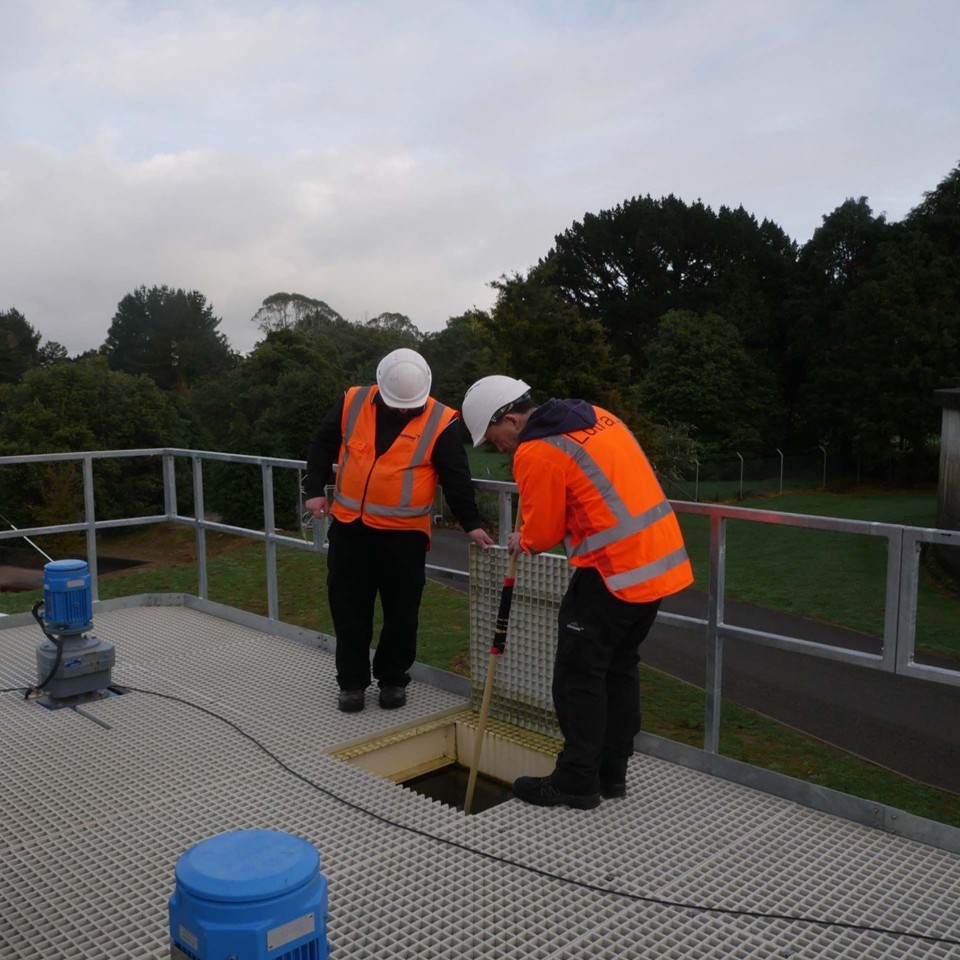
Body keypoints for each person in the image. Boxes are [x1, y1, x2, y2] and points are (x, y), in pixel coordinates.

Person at [461, 376, 693, 809]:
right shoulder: (597, 417)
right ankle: (612, 774)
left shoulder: (537, 449)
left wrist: (523, 538)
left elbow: (544, 530)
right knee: (619, 668)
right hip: (657, 565)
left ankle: (576, 781)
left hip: (611, 573)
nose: (500, 450)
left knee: (577, 676)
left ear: (511, 419)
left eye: (496, 440)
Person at [304, 348, 494, 713]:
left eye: (411, 406)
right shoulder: (353, 400)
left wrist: (470, 523)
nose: (404, 411)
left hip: (404, 537)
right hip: (349, 530)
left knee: (402, 614)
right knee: (348, 610)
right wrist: (314, 490)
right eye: (398, 405)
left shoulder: (442, 420)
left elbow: (456, 476)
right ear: (380, 387)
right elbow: (321, 444)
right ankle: (352, 683)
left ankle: (392, 680)